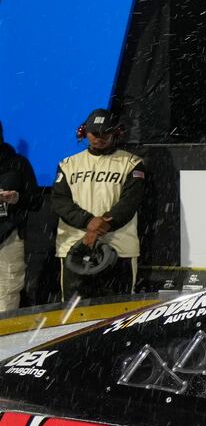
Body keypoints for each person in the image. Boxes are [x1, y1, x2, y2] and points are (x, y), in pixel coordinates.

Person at [52, 109, 146, 300]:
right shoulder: (68, 164)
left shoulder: (132, 163)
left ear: (116, 132)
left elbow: (129, 203)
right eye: (95, 133)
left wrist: (97, 227)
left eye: (105, 133)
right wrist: (88, 222)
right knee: (73, 313)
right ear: (84, 132)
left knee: (119, 311)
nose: (99, 138)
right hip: (75, 249)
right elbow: (59, 201)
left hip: (119, 248)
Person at [0, 121, 36, 312]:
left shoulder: (19, 163)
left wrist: (16, 198)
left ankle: (5, 341)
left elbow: (36, 200)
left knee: (7, 296)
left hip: (8, 237)